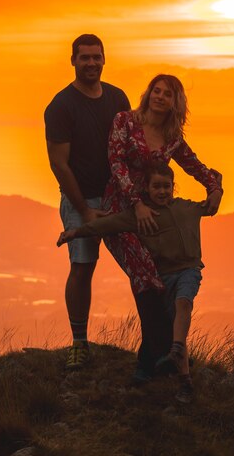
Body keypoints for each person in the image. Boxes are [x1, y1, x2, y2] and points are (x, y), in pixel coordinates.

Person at [101, 74, 223, 381]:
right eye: (156, 91)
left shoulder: (172, 137)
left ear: (175, 102)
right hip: (121, 211)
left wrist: (215, 189)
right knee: (146, 277)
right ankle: (149, 362)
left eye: (167, 94)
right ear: (148, 93)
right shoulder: (125, 122)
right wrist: (136, 203)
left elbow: (193, 164)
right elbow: (116, 164)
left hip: (153, 217)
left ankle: (166, 357)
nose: (159, 97)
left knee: (161, 282)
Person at [58, 160, 212, 402]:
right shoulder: (139, 216)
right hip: (164, 276)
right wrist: (75, 232)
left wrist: (217, 187)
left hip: (189, 272)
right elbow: (109, 224)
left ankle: (177, 350)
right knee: (175, 323)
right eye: (157, 187)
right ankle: (184, 380)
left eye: (167, 186)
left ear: (174, 187)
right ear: (146, 189)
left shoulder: (185, 208)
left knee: (184, 305)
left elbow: (210, 207)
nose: (162, 191)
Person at [44, 34, 130, 370]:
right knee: (82, 267)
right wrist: (83, 210)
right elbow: (59, 164)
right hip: (80, 199)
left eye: (96, 57)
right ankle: (79, 343)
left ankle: (157, 345)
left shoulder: (117, 98)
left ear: (105, 59)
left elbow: (129, 146)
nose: (91, 63)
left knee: (140, 268)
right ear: (73, 61)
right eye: (84, 58)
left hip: (116, 198)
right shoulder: (61, 106)